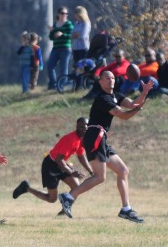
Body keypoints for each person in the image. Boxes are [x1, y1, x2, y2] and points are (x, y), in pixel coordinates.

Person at [57, 70, 151, 223]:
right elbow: (123, 115)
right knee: (100, 177)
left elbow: (134, 104)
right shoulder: (102, 98)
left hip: (102, 138)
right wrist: (137, 109)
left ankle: (126, 209)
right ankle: (68, 197)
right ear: (100, 82)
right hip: (94, 137)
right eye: (107, 78)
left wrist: (145, 92)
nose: (111, 80)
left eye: (113, 78)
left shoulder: (116, 95)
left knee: (123, 171)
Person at [13, 117, 93, 213]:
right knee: (51, 198)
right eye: (82, 127)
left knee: (77, 187)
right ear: (77, 127)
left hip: (61, 164)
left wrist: (90, 170)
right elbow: (58, 159)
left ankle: (64, 211)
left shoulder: (81, 139)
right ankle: (26, 188)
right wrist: (71, 172)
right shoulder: (71, 139)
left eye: (87, 126)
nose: (85, 129)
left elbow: (80, 156)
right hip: (50, 165)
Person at [47, 7, 74, 90]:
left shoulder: (68, 24)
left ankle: (61, 86)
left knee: (64, 67)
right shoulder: (55, 24)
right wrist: (52, 31)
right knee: (50, 65)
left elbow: (72, 36)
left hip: (65, 48)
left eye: (66, 13)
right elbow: (51, 38)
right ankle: (53, 84)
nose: (64, 15)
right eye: (62, 13)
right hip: (56, 48)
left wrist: (62, 34)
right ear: (58, 14)